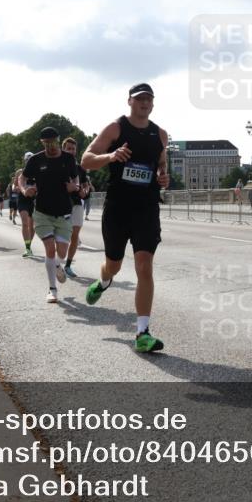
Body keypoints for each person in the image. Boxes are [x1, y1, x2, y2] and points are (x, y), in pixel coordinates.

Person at [81, 82, 169, 353]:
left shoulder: (160, 134)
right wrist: (111, 155)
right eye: (139, 98)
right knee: (114, 265)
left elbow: (161, 163)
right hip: (118, 208)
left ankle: (142, 333)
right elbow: (86, 159)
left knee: (144, 266)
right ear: (129, 101)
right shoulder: (116, 128)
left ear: (153, 103)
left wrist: (163, 176)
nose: (144, 103)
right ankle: (104, 281)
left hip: (146, 208)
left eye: (148, 99)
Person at [21, 127, 80, 303]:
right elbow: (22, 178)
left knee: (61, 252)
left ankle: (57, 264)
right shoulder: (36, 160)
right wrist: (24, 189)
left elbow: (75, 178)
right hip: (42, 212)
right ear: (42, 143)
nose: (50, 146)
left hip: (64, 212)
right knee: (49, 249)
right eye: (46, 143)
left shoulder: (68, 158)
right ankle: (52, 289)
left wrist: (74, 186)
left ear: (58, 140)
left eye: (53, 142)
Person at [61, 137, 91, 277]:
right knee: (63, 236)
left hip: (77, 203)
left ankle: (68, 265)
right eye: (69, 148)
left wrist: (84, 191)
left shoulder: (79, 168)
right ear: (63, 149)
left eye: (73, 149)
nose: (71, 151)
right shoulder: (58, 166)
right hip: (61, 204)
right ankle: (57, 261)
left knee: (74, 235)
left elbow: (86, 186)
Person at [15, 152, 37, 257]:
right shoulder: (20, 172)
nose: (29, 161)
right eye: (27, 160)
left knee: (32, 227)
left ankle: (29, 246)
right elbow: (14, 186)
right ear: (25, 161)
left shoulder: (38, 172)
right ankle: (27, 248)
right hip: (23, 199)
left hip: (33, 200)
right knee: (25, 223)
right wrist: (20, 188)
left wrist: (34, 189)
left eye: (31, 159)